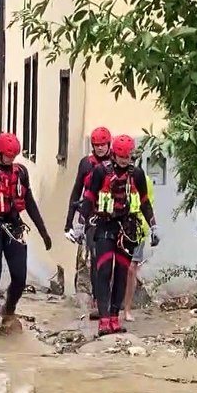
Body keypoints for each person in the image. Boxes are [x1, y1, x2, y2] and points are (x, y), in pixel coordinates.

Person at [0, 132, 52, 330]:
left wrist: (43, 231)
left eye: (13, 156)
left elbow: (29, 203)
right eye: (8, 156)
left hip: (13, 226)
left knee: (20, 277)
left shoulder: (20, 173)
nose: (11, 159)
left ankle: (9, 309)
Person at [78, 134, 158, 336]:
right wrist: (80, 224)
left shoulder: (137, 175)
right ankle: (103, 320)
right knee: (104, 272)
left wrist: (154, 226)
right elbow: (88, 197)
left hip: (127, 229)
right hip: (104, 226)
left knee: (122, 275)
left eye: (127, 157)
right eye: (121, 157)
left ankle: (114, 317)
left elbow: (145, 202)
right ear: (114, 154)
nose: (124, 160)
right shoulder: (100, 172)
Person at [65, 126, 113, 320]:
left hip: (113, 216)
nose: (100, 148)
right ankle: (97, 299)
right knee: (96, 257)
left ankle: (113, 303)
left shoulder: (117, 162)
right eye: (97, 145)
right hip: (92, 217)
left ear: (109, 145)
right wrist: (69, 222)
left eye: (103, 145)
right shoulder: (86, 164)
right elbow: (77, 191)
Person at [122, 165, 156, 323]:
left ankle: (127, 309)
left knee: (131, 270)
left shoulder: (144, 180)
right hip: (119, 228)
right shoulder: (115, 177)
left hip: (137, 230)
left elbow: (147, 204)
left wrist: (147, 228)